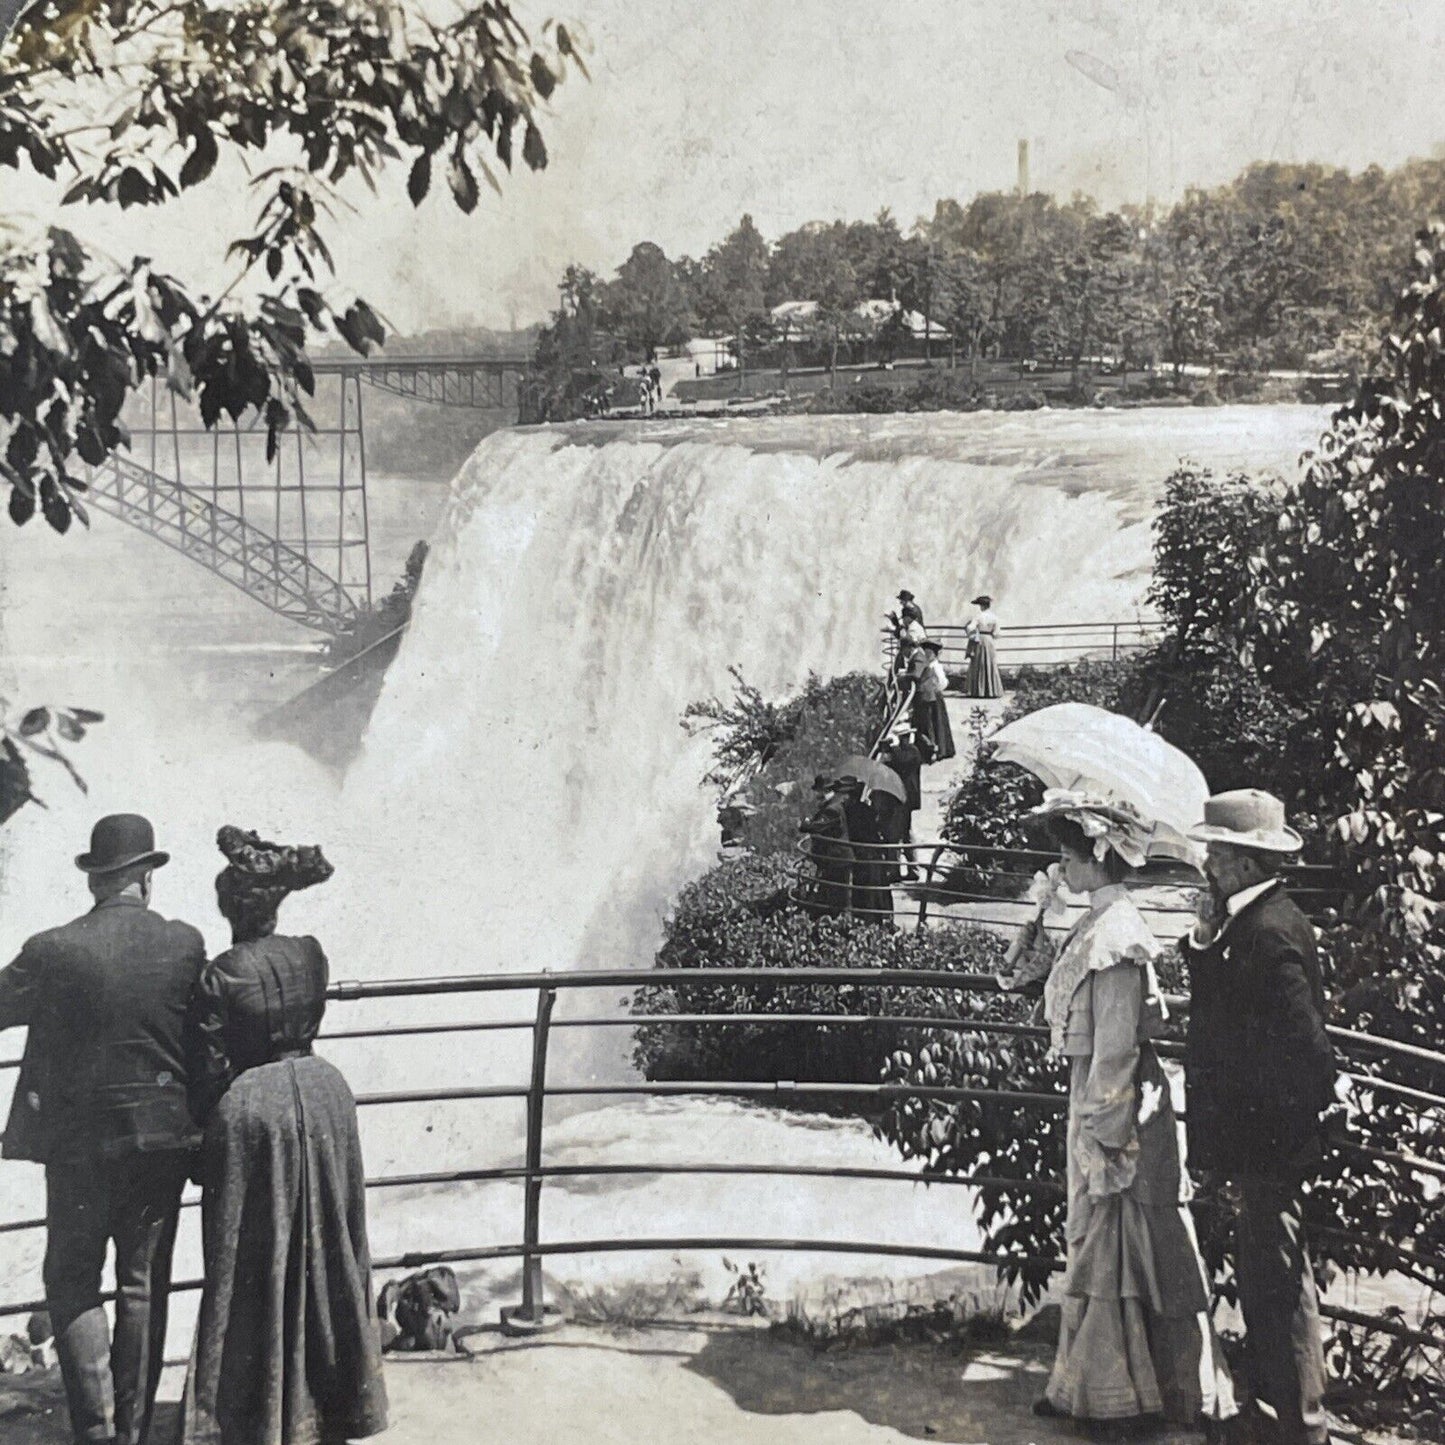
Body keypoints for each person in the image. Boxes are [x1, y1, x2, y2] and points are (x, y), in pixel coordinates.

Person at [1019, 793, 1234, 1430]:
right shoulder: (1094, 923)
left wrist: (1103, 1133)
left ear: (1100, 855)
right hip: (1093, 1093)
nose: (1060, 865)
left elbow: (1116, 1045)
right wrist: (1036, 929)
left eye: (1067, 854)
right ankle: (1093, 1387)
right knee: (1100, 1242)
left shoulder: (1116, 935)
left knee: (1118, 1243)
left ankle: (1130, 1397)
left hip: (1115, 1105)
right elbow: (1063, 1004)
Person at [0, 814, 205, 1445]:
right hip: (161, 1143)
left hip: (77, 1151)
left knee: (72, 1279)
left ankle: (95, 1429)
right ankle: (136, 1431)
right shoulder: (185, 944)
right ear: (146, 877)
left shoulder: (53, 949)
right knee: (143, 1285)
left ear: (94, 881)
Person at [181, 827, 388, 1445]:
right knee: (329, 1244)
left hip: (254, 1110)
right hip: (325, 1098)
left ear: (231, 910)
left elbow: (210, 1067)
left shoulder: (220, 974)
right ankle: (337, 1401)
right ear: (275, 905)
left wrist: (203, 1136)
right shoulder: (311, 953)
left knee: (252, 1256)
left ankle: (254, 1412)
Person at [1183, 790, 1337, 1445]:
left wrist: (1276, 1123)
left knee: (1278, 1284)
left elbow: (1305, 1047)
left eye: (1215, 852)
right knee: (1269, 1280)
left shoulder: (1269, 929)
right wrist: (1199, 942)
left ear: (1245, 863)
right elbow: (1230, 1009)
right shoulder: (1251, 921)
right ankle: (1285, 1417)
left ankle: (1303, 1428)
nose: (1207, 863)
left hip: (1272, 1144)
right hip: (1262, 1142)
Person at [836, 776, 894, 926]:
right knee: (877, 890)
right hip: (874, 854)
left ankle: (866, 921)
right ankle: (881, 920)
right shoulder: (867, 809)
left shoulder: (849, 811)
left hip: (863, 855)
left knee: (865, 891)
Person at [798, 778, 852, 918]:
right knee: (831, 893)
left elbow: (814, 826)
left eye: (819, 792)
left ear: (827, 791)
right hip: (834, 858)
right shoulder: (831, 806)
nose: (817, 795)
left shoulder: (832, 810)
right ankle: (831, 919)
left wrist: (805, 823)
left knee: (837, 896)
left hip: (837, 859)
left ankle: (836, 921)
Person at [879, 729, 923, 880]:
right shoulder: (904, 752)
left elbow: (901, 761)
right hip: (900, 799)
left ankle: (901, 870)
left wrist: (890, 749)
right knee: (902, 833)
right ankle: (905, 870)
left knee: (897, 834)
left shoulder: (912, 752)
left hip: (904, 800)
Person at [910, 639, 956, 763]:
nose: (927, 655)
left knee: (937, 723)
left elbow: (943, 682)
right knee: (930, 723)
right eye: (926, 652)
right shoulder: (927, 665)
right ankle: (931, 749)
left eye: (929, 653)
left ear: (934, 654)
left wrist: (935, 688)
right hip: (930, 697)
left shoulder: (936, 666)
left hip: (935, 697)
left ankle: (941, 749)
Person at [964, 594, 1004, 698]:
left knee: (978, 663)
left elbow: (970, 628)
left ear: (982, 606)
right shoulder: (994, 617)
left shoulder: (978, 616)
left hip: (980, 640)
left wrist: (971, 630)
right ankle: (991, 690)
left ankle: (978, 691)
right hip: (989, 640)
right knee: (990, 663)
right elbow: (997, 633)